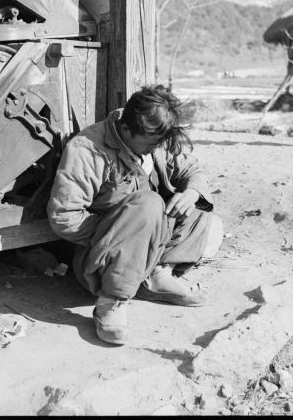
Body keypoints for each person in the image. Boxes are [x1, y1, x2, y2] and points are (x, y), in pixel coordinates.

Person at [47, 84, 223, 345]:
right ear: (126, 130)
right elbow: (64, 217)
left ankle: (157, 274)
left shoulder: (157, 135)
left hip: (148, 238)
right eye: (150, 145)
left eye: (159, 144)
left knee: (201, 213)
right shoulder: (87, 150)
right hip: (102, 260)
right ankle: (111, 302)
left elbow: (192, 171)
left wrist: (190, 194)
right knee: (148, 205)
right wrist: (124, 232)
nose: (155, 150)